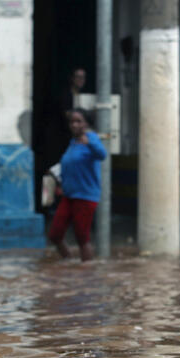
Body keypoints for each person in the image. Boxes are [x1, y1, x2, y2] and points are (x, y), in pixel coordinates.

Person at [48, 108, 106, 262]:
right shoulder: (73, 143)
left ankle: (87, 269)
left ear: (86, 124)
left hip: (85, 195)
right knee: (55, 234)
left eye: (79, 121)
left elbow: (102, 154)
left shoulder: (91, 139)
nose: (74, 125)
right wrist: (60, 183)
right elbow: (68, 164)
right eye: (72, 122)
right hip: (69, 195)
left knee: (82, 237)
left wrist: (90, 143)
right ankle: (69, 263)